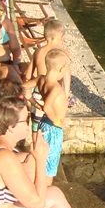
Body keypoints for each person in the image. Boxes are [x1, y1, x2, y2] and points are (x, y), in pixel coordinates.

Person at [35, 49, 70, 185]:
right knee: (49, 166)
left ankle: (41, 189)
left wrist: (32, 103)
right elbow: (47, 107)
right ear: (61, 69)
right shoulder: (55, 87)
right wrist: (57, 122)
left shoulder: (41, 79)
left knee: (41, 161)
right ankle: (46, 190)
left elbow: (24, 88)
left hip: (43, 123)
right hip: (53, 128)